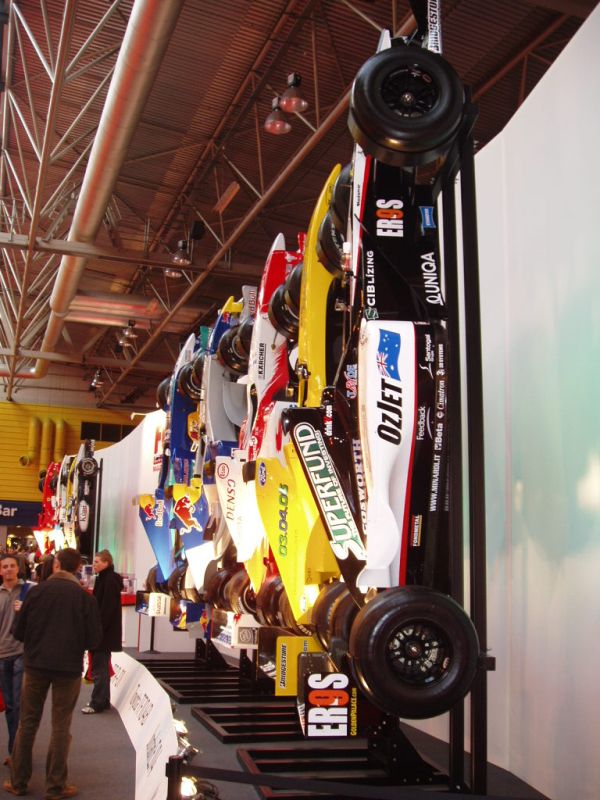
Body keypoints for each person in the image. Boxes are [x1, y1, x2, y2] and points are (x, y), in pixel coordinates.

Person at [4, 548, 101, 799]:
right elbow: (94, 639)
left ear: (56, 565)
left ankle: (18, 782)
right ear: (78, 568)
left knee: (27, 723)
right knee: (61, 726)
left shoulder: (36, 593)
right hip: (68, 669)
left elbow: (19, 631)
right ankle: (55, 786)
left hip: (35, 665)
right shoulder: (85, 598)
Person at [81, 550, 123, 715]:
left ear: (107, 563)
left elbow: (106, 609)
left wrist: (97, 629)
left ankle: (97, 702)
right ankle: (102, 700)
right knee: (101, 668)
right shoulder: (105, 579)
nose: (94, 564)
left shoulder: (109, 581)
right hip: (104, 632)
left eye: (98, 561)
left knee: (99, 669)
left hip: (103, 633)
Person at [0, 555, 31, 761]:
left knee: (19, 704)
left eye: (12, 566)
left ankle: (17, 751)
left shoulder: (30, 591)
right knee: (9, 705)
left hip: (22, 653)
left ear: (18, 569)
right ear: (1, 571)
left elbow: (40, 619)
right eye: (5, 567)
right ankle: (15, 748)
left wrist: (26, 609)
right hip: (2, 655)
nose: (9, 569)